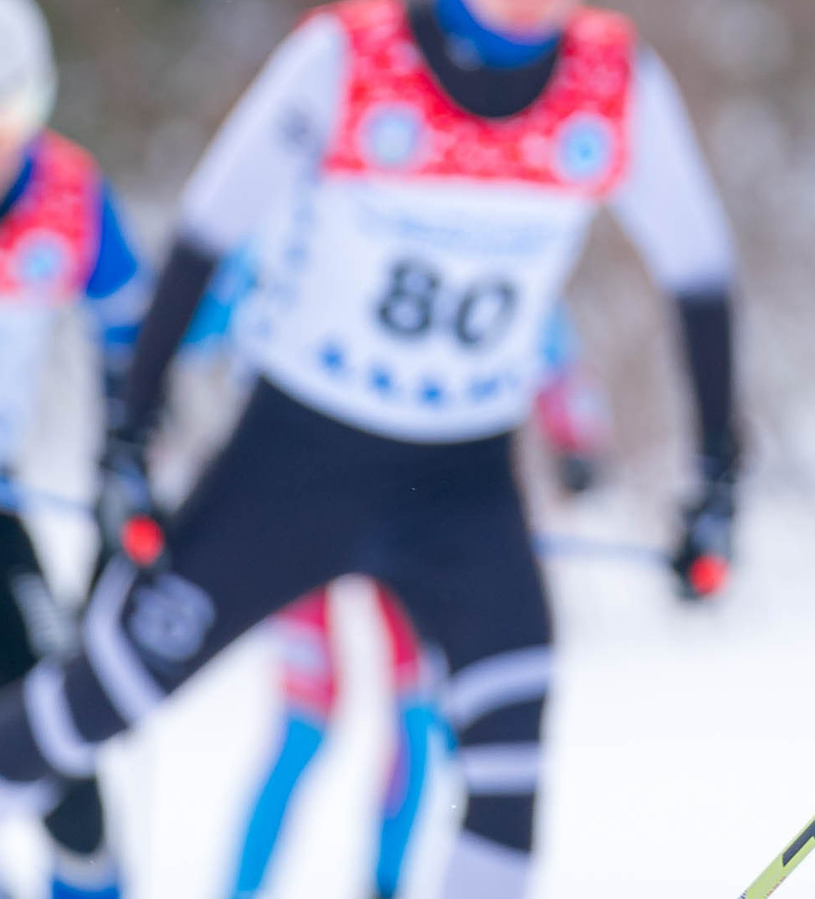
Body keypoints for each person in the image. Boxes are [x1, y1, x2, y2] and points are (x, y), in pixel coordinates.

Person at [0, 0, 746, 899]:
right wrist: (131, 440)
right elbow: (204, 239)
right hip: (297, 458)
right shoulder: (347, 58)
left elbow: (699, 273)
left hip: (464, 481)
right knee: (97, 702)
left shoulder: (612, 86)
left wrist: (717, 478)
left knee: (506, 765)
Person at [221, 306, 600, 899]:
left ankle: (383, 886)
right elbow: (228, 314)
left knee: (415, 714)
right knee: (306, 722)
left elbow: (547, 336)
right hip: (299, 504)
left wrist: (576, 440)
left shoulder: (490, 257)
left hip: (414, 511)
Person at [0, 0, 139, 899]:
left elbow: (134, 334)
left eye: (8, 115)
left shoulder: (68, 195)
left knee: (66, 751)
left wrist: (124, 466)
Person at [227, 581, 436, 899]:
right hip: (300, 558)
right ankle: (242, 892)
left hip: (410, 561)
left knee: (413, 715)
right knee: (304, 734)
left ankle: (384, 888)